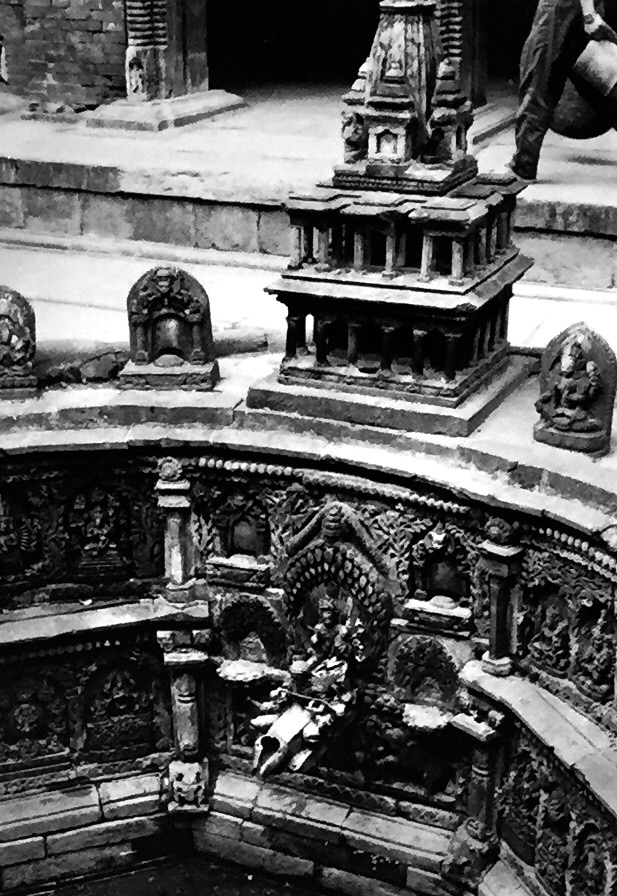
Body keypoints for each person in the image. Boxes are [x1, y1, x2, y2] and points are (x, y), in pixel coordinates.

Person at [511, 0, 617, 180]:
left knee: (539, 82)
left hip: (563, 10)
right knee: (601, 78)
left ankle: (524, 165)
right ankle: (523, 163)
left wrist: (589, 15)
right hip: (579, 9)